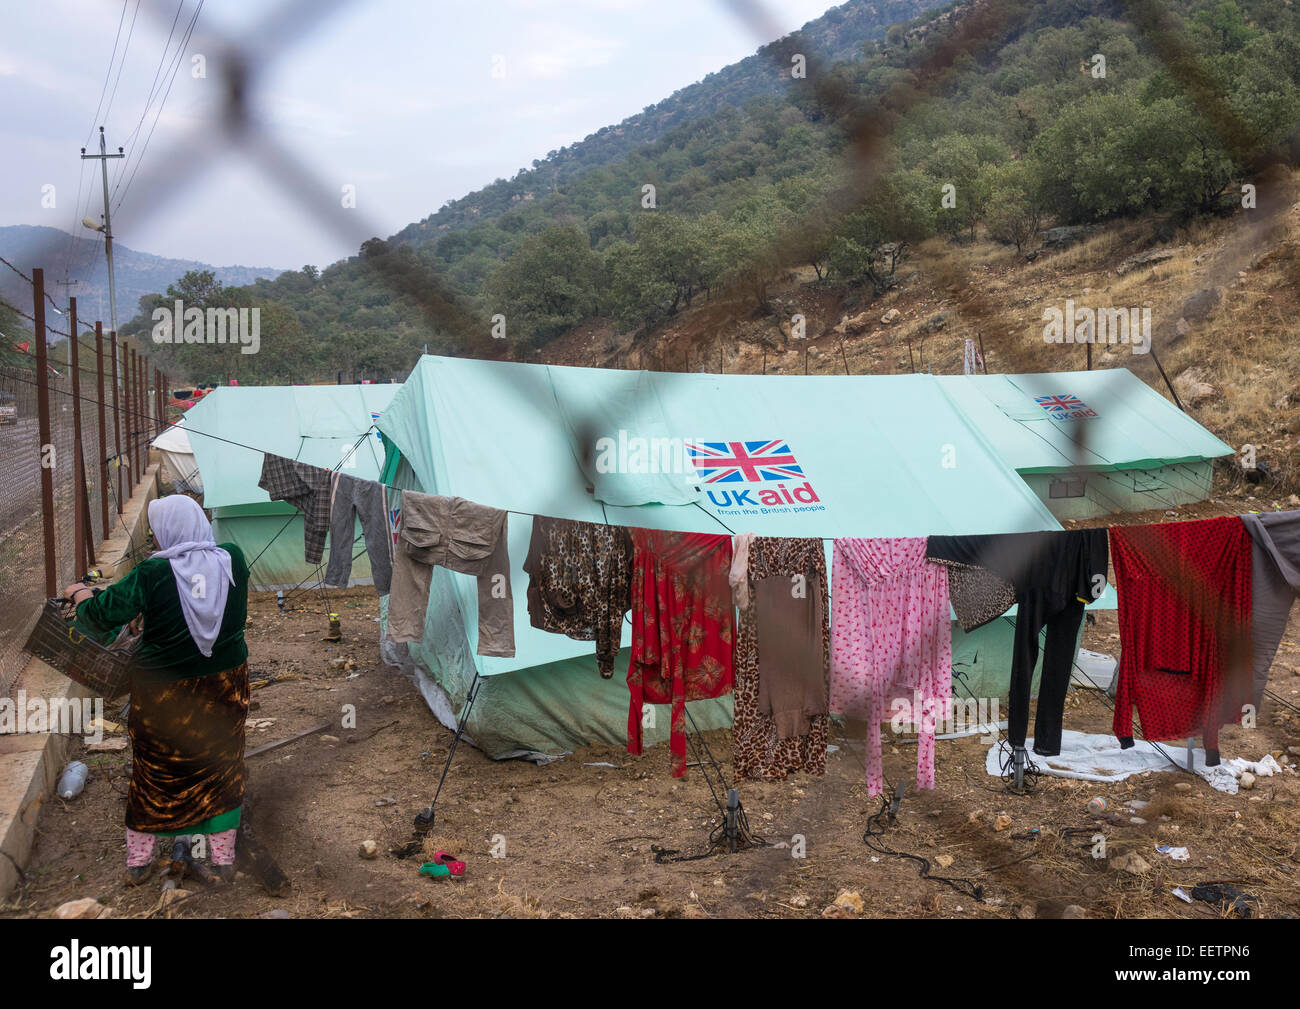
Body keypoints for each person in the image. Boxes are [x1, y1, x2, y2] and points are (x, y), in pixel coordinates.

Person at [64, 494, 251, 885]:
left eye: (155, 530)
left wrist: (80, 595)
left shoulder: (152, 573)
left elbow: (101, 615)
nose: (153, 538)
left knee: (156, 773)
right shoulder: (232, 558)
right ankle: (222, 857)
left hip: (164, 695)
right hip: (225, 684)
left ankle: (139, 863)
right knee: (222, 766)